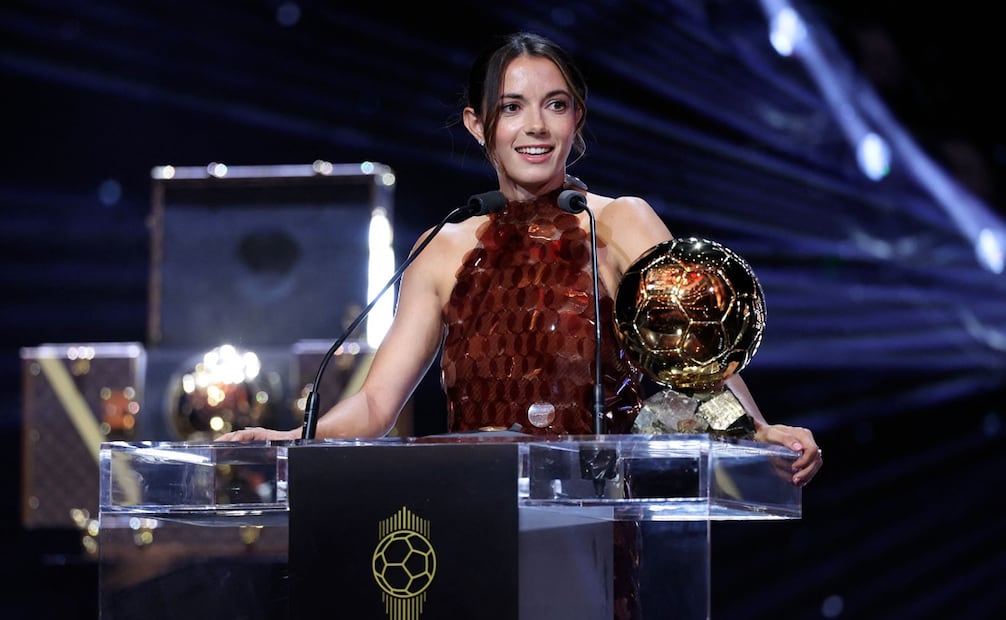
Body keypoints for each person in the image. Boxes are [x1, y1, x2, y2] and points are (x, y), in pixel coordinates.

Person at [217, 31, 822, 487]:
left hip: (591, 515)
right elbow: (376, 407)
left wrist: (757, 430)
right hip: (473, 512)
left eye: (555, 105)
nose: (535, 125)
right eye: (511, 107)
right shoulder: (444, 245)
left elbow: (697, 360)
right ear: (478, 124)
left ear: (576, 119)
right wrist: (297, 438)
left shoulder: (615, 222)